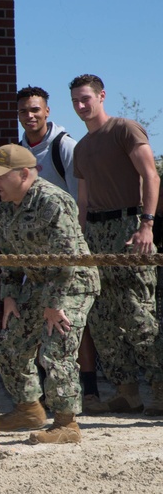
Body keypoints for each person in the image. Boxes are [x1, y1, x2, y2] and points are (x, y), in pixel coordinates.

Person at [0, 144, 99, 443]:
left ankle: (66, 424)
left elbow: (67, 257)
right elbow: (7, 256)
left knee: (56, 348)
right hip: (36, 283)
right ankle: (28, 409)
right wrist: (9, 296)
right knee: (10, 345)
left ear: (23, 174)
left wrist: (54, 305)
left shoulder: (53, 200)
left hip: (72, 283)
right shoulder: (7, 206)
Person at [69, 74, 163, 415]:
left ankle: (159, 387)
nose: (81, 106)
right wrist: (80, 243)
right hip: (95, 233)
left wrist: (146, 224)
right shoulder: (80, 148)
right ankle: (126, 391)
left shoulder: (125, 129)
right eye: (76, 101)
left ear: (101, 96)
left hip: (129, 226)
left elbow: (151, 175)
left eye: (86, 99)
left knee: (138, 314)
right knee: (103, 318)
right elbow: (82, 201)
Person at [15, 85, 101, 406]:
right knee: (40, 318)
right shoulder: (18, 153)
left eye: (35, 109)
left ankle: (89, 389)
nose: (30, 115)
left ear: (47, 111)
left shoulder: (65, 147)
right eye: (24, 111)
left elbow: (83, 197)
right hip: (34, 252)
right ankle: (44, 394)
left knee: (76, 321)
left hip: (68, 247)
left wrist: (74, 244)